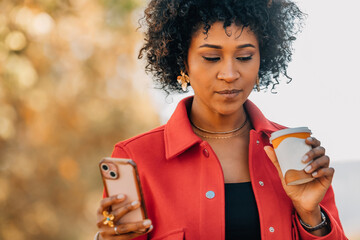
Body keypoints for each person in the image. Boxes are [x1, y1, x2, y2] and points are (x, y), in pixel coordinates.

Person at [95, 0, 348, 239]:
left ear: (262, 59)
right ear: (184, 62)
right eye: (212, 58)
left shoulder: (295, 153)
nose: (229, 74)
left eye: (245, 57)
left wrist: (311, 216)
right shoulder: (136, 158)